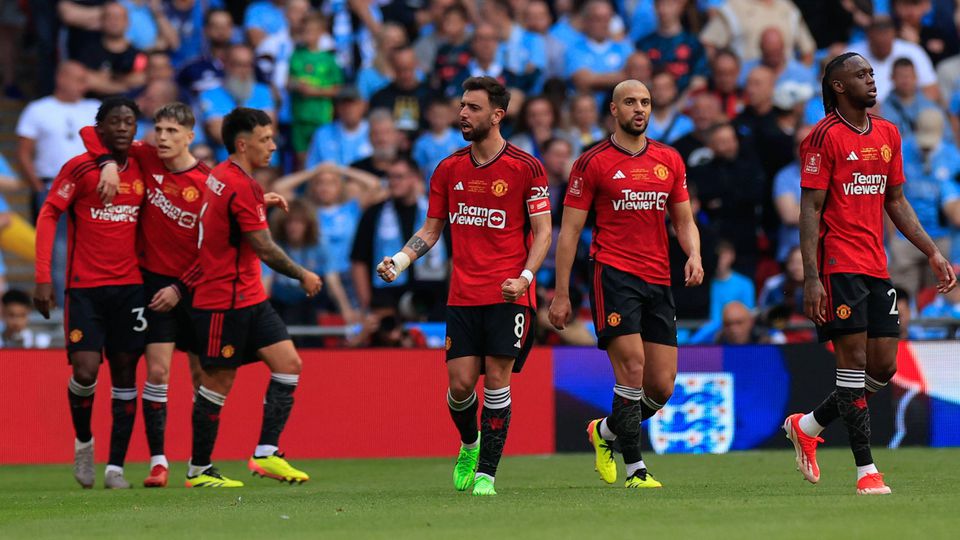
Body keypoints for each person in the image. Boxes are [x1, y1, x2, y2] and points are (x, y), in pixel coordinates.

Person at [785, 52, 956, 496]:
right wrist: (810, 277)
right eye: (861, 75)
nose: (871, 80)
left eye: (870, 73)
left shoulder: (887, 133)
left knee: (882, 368)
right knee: (854, 364)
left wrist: (933, 252)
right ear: (839, 86)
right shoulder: (822, 138)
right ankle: (867, 471)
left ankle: (807, 425)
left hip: (876, 265)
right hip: (837, 265)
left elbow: (895, 201)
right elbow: (810, 209)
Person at [376, 76, 552, 497]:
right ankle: (470, 445)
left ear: (497, 115)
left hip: (510, 294)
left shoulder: (526, 168)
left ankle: (487, 475)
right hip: (463, 295)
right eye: (462, 106)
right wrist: (400, 261)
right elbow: (432, 230)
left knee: (496, 379)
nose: (463, 114)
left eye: (473, 107)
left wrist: (524, 278)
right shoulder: (449, 168)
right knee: (459, 387)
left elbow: (544, 232)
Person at [80, 102, 244, 488]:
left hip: (196, 288)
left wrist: (180, 287)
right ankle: (159, 462)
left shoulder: (206, 184)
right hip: (154, 286)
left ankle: (200, 464)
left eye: (173, 132)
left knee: (202, 376)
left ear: (191, 137)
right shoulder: (146, 157)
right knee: (157, 371)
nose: (163, 138)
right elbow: (91, 133)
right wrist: (106, 162)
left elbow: (215, 251)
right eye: (159, 130)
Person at [549, 80, 704, 489]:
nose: (640, 108)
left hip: (658, 277)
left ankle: (606, 433)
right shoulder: (592, 162)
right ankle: (636, 469)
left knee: (662, 385)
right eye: (631, 102)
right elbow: (569, 232)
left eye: (646, 102)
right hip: (614, 274)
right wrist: (562, 292)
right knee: (632, 367)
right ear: (614, 110)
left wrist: (694, 254)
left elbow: (683, 219)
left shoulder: (669, 159)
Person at [176, 107, 322, 488]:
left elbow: (229, 216)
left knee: (288, 363)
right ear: (243, 144)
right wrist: (302, 272)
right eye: (265, 140)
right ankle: (198, 470)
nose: (273, 146)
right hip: (224, 299)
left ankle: (266, 454)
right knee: (218, 383)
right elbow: (264, 248)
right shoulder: (241, 185)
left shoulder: (222, 176)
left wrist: (260, 203)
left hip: (250, 297)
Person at [33, 97, 147, 489]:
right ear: (100, 128)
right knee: (84, 370)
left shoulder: (145, 165)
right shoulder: (80, 168)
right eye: (113, 121)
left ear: (136, 128)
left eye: (128, 121)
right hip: (85, 289)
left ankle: (116, 468)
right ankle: (84, 442)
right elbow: (48, 214)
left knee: (126, 374)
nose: (121, 127)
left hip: (132, 289)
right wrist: (43, 277)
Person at [288, 12, 343, 165]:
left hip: (321, 117)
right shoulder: (296, 55)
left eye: (312, 31)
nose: (308, 35)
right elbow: (288, 82)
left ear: (321, 32)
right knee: (301, 161)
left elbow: (338, 88)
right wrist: (296, 85)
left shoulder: (329, 58)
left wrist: (315, 91)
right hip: (300, 117)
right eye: (305, 31)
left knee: (322, 158)